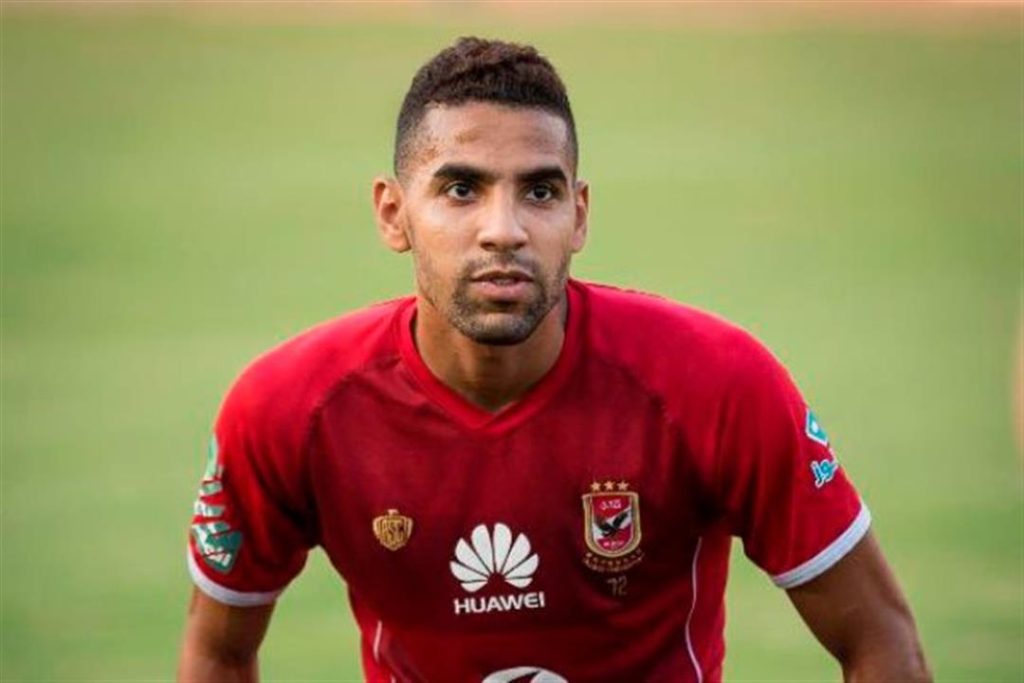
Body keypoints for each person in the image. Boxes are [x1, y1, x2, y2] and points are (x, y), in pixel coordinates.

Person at [178, 37, 930, 683]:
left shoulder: (717, 382)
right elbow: (217, 652)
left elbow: (880, 640)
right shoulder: (290, 407)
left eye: (539, 191)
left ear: (579, 215)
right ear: (393, 213)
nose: (503, 229)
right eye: (461, 189)